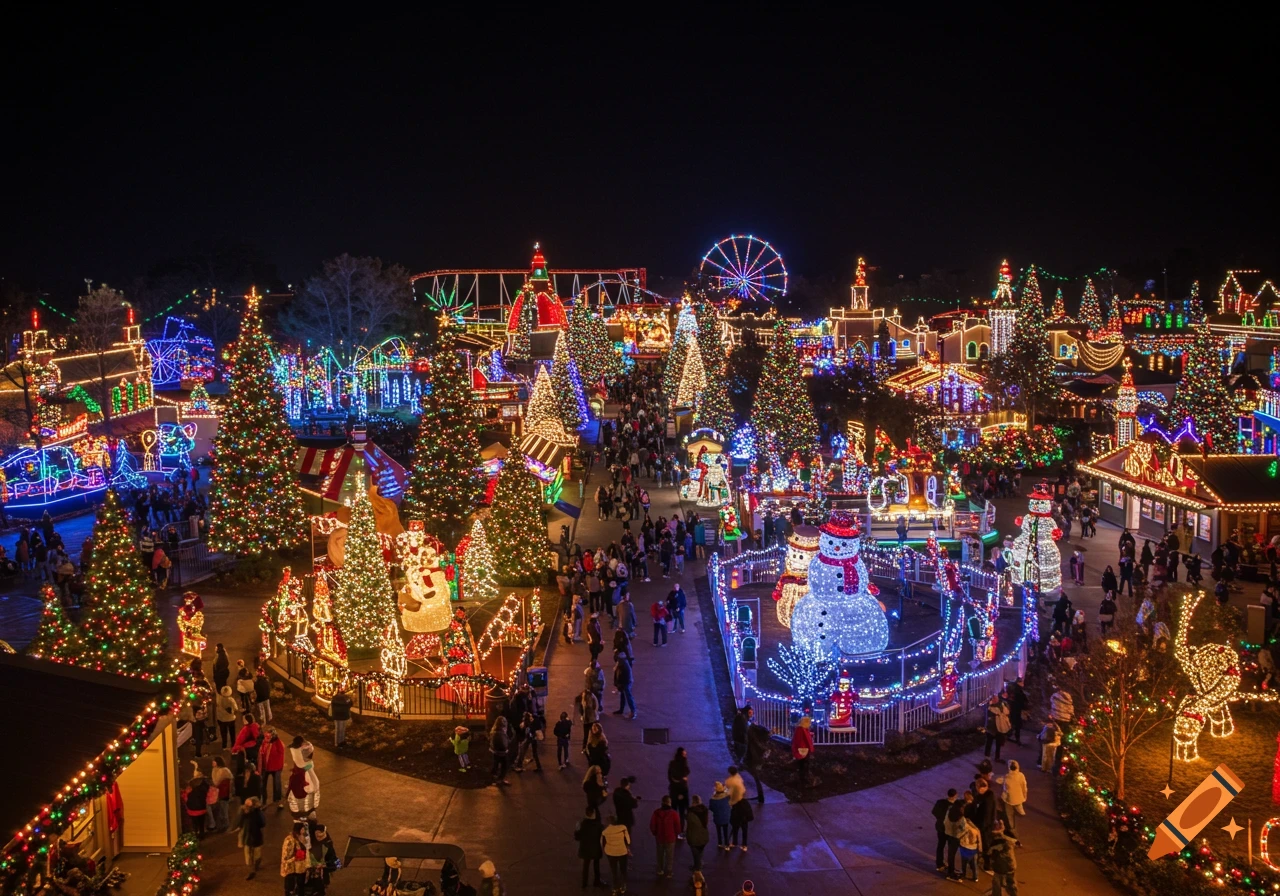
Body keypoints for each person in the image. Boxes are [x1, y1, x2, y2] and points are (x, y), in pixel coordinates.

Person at [575, 806, 608, 889]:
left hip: (585, 848)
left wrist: (577, 830)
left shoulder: (582, 824)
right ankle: (597, 881)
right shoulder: (598, 825)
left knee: (586, 865)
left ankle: (584, 883)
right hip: (595, 848)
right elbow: (603, 835)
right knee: (596, 865)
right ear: (594, 814)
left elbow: (577, 838)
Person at [650, 795, 681, 878]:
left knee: (660, 854)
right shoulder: (674, 813)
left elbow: (652, 825)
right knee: (669, 855)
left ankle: (660, 869)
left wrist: (655, 833)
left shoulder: (656, 813)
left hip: (660, 837)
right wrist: (676, 833)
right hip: (670, 837)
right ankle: (669, 871)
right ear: (669, 803)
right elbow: (677, 826)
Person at [997, 760, 1027, 844]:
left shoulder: (1006, 777)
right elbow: (1024, 787)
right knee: (1018, 805)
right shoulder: (1021, 775)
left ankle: (1013, 832)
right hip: (1018, 798)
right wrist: (1024, 796)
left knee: (1009, 816)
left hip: (1008, 800)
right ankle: (1020, 809)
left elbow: (998, 780)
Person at [237, 796, 266, 879]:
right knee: (250, 856)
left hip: (254, 837)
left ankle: (254, 866)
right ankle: (251, 870)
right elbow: (239, 822)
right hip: (250, 837)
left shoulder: (256, 813)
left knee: (254, 856)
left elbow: (262, 823)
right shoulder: (244, 813)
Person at [602, 815, 631, 895]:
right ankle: (623, 886)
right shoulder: (623, 828)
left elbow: (602, 843)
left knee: (614, 870)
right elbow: (628, 840)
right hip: (622, 852)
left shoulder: (605, 831)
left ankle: (615, 887)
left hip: (610, 853)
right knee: (623, 869)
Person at [988, 818, 1018, 895]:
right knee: (1011, 882)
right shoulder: (1009, 840)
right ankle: (1013, 894)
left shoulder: (998, 843)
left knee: (996, 883)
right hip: (1011, 865)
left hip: (1001, 867)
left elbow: (990, 853)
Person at [726, 766, 753, 851]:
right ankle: (744, 845)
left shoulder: (730, 782)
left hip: (736, 807)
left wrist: (729, 802)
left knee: (735, 826)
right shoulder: (739, 778)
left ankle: (734, 842)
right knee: (744, 827)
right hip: (743, 805)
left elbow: (730, 793)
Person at [932, 788, 957, 873]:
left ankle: (939, 864)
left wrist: (940, 818)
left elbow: (934, 811)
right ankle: (950, 866)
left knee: (940, 846)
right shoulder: (955, 806)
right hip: (950, 830)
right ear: (955, 795)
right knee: (951, 848)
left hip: (940, 828)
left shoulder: (940, 802)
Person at [280, 821, 309, 894]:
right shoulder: (289, 840)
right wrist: (295, 857)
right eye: (303, 829)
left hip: (301, 867)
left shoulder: (304, 837)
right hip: (291, 868)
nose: (304, 830)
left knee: (301, 885)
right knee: (290, 887)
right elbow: (285, 857)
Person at [259, 728, 285, 808]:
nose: (265, 738)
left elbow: (282, 750)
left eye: (268, 737)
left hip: (276, 767)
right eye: (265, 736)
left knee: (277, 784)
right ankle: (263, 800)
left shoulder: (278, 743)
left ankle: (277, 800)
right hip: (266, 767)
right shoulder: (264, 742)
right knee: (262, 784)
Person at [667, 747, 690, 833]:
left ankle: (673, 828)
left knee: (673, 810)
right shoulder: (683, 764)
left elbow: (669, 776)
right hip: (682, 791)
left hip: (673, 790)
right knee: (682, 811)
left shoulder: (672, 763)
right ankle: (680, 830)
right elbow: (687, 771)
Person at [208, 756, 233, 832]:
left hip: (224, 793)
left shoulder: (222, 771)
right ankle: (223, 826)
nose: (212, 763)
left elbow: (216, 782)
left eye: (214, 761)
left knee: (224, 810)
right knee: (222, 809)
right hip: (221, 793)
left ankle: (226, 826)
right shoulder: (218, 770)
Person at [311, 824, 339, 889]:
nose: (318, 838)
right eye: (317, 836)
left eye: (320, 836)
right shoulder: (314, 842)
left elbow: (333, 858)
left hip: (323, 867)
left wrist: (325, 864)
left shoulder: (328, 844)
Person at [686, 794, 710, 873]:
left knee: (695, 854)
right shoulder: (705, 811)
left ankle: (697, 868)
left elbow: (689, 826)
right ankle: (699, 864)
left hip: (694, 837)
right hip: (704, 836)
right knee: (700, 851)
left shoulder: (691, 813)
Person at [984, 694, 1008, 761]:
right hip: (991, 727)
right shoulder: (989, 707)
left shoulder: (1001, 705)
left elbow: (1006, 712)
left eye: (996, 699)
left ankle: (997, 757)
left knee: (998, 743)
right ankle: (987, 756)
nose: (995, 700)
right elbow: (989, 716)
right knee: (989, 742)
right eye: (994, 699)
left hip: (999, 727)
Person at [791, 715, 814, 787]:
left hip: (803, 749)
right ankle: (803, 781)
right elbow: (801, 740)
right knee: (803, 765)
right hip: (803, 750)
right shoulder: (801, 729)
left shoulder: (802, 729)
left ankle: (803, 779)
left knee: (803, 765)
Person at [613, 652, 636, 720]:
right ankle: (621, 709)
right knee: (623, 695)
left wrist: (619, 686)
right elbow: (617, 674)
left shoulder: (624, 666)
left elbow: (624, 677)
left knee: (628, 696)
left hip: (626, 683)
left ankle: (633, 711)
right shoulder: (620, 664)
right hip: (623, 682)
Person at [709, 781, 731, 852]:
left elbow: (711, 808)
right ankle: (727, 845)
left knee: (718, 830)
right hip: (726, 816)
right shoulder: (727, 797)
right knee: (726, 830)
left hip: (717, 817)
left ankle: (720, 842)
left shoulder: (712, 799)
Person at [489, 717, 511, 785]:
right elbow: (505, 742)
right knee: (504, 766)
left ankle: (495, 778)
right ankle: (499, 779)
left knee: (496, 765)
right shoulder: (501, 732)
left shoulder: (494, 731)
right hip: (502, 752)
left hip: (495, 752)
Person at [1006, 678, 1027, 746]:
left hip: (1013, 709)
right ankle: (1016, 738)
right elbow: (1023, 700)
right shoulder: (1018, 690)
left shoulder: (1013, 689)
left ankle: (1009, 735)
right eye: (1021, 682)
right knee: (1017, 725)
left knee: (1012, 723)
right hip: (1016, 710)